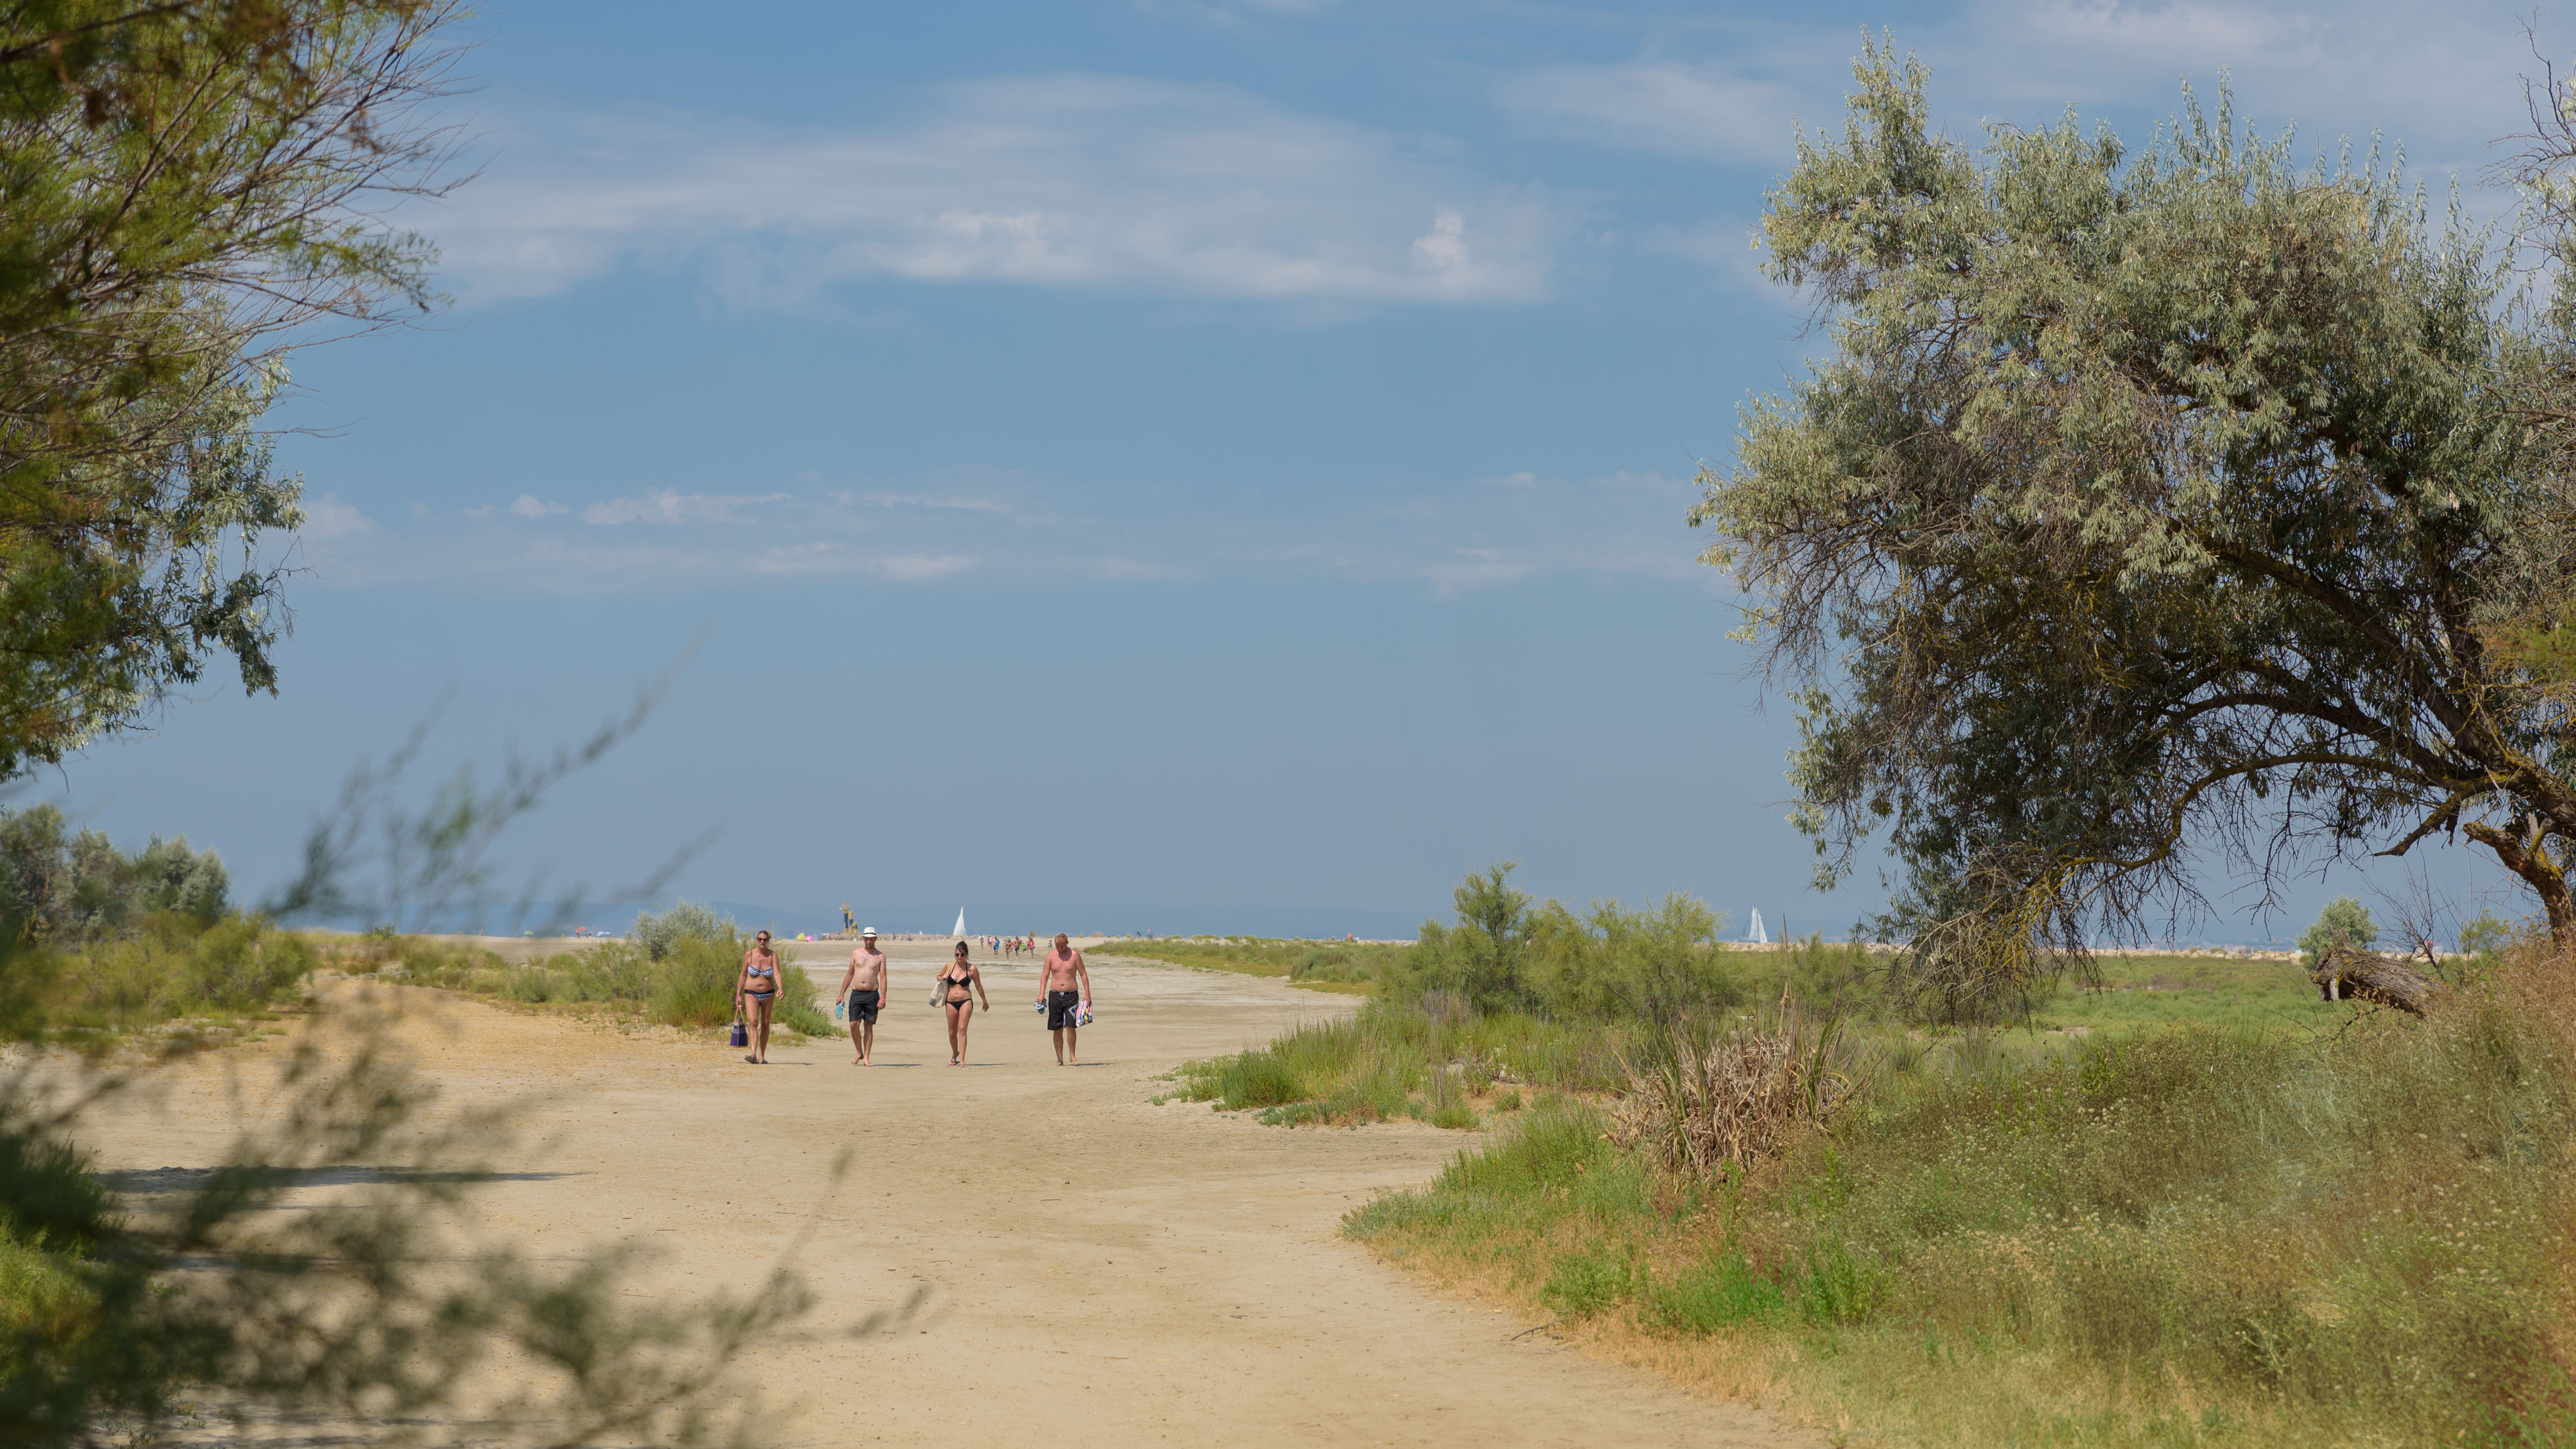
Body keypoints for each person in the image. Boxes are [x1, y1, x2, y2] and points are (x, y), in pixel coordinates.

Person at [835, 927, 889, 1065]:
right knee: (854, 1024)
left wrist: (883, 997)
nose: (869, 941)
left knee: (869, 1027)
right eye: (866, 939)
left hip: (872, 994)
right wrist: (841, 994)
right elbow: (850, 974)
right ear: (863, 939)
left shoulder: (881, 956)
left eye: (871, 939)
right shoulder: (856, 954)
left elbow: (883, 977)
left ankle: (866, 1058)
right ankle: (859, 1052)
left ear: (875, 939)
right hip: (857, 993)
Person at [1039, 932, 1092, 1066]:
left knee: (1071, 1026)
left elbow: (1083, 974)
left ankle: (1072, 1056)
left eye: (1062, 946)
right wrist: (1041, 994)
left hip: (1071, 996)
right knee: (1057, 1028)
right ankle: (1059, 1059)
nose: (1060, 949)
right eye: (1057, 946)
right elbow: (1045, 976)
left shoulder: (1074, 955)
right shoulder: (1051, 956)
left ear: (1067, 943)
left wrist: (1087, 994)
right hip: (1055, 996)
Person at [938, 940, 989, 1067]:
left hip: (966, 1001)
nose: (959, 957)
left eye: (962, 955)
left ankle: (962, 1060)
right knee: (952, 1032)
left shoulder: (972, 969)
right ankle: (955, 1054)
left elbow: (979, 986)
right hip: (950, 1002)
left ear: (966, 955)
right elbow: (938, 977)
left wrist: (985, 1001)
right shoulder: (949, 966)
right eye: (957, 955)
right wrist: (943, 977)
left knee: (962, 1029)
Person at [736, 930, 782, 1065]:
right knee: (753, 1022)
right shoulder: (749, 955)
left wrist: (781, 988)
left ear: (769, 941)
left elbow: (777, 973)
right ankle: (753, 1054)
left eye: (765, 940)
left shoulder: (773, 955)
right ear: (756, 940)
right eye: (760, 939)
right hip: (751, 993)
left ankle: (762, 1056)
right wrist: (738, 995)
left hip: (769, 994)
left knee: (766, 1023)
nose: (763, 942)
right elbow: (743, 975)